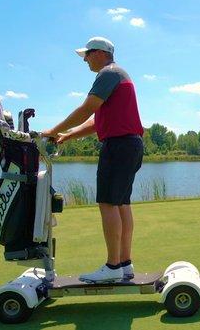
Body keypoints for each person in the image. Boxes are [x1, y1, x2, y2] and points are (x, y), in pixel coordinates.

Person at [43, 37, 144, 282]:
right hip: (129, 145)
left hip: (118, 146)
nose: (85, 60)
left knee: (108, 204)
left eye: (87, 55)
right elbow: (94, 122)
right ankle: (124, 264)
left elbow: (85, 109)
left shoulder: (108, 73)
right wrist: (66, 136)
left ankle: (112, 267)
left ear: (99, 53)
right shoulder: (117, 75)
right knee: (121, 204)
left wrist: (52, 131)